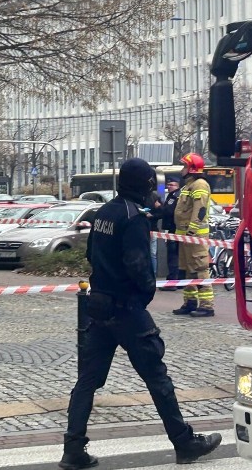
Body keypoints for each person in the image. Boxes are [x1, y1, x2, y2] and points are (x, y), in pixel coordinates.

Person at [59, 158, 222, 470]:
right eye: (151, 183)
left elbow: (92, 253)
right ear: (145, 184)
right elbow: (137, 265)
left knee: (87, 381)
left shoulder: (104, 211)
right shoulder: (134, 218)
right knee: (158, 379)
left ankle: (73, 449)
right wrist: (146, 292)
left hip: (99, 308)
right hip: (127, 310)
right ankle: (184, 442)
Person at [172, 153, 213, 318]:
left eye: (184, 166)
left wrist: (192, 230)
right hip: (185, 236)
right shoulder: (188, 186)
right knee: (188, 270)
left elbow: (200, 210)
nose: (182, 169)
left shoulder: (200, 185)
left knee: (200, 269)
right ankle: (190, 302)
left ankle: (207, 305)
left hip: (194, 236)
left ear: (191, 169)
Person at [156, 178, 181, 291]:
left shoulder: (174, 196)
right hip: (175, 229)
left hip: (173, 229)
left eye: (172, 185)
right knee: (176, 255)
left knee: (173, 256)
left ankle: (172, 281)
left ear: (177, 186)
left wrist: (159, 207)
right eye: (168, 185)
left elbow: (169, 211)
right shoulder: (173, 195)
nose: (169, 186)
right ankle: (179, 280)